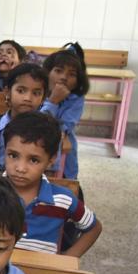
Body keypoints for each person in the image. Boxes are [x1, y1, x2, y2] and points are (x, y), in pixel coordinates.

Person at [3, 112, 101, 256]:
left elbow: (94, 228)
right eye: (13, 155)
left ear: (51, 160)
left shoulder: (63, 199)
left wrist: (67, 260)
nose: (20, 168)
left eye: (33, 160)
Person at [0, 63, 48, 171]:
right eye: (21, 91)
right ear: (7, 92)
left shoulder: (48, 132)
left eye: (36, 93)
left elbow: (50, 172)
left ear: (43, 98)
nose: (28, 98)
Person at [40, 45, 88, 179]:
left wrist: (53, 103)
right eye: (58, 71)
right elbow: (37, 124)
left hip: (64, 157)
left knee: (66, 183)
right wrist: (53, 101)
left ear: (78, 81)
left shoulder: (76, 98)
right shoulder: (37, 92)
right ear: (47, 72)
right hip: (34, 149)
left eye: (72, 74)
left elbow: (64, 126)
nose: (64, 77)